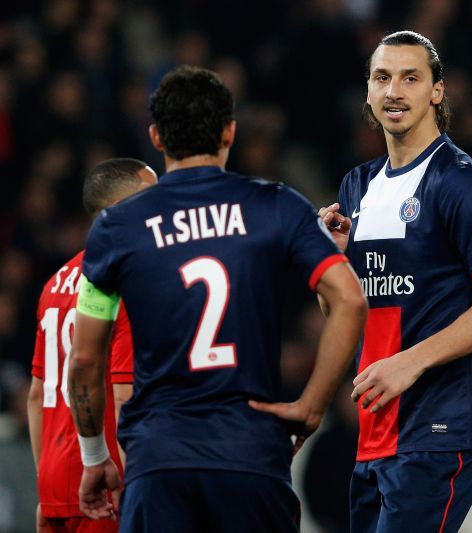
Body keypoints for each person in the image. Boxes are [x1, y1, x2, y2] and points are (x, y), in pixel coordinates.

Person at [67, 66, 367, 532]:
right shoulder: (277, 206)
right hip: (251, 457)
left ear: (156, 137)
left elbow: (85, 359)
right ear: (230, 132)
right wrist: (312, 404)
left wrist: (93, 455)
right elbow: (350, 300)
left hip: (159, 460)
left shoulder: (116, 227)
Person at [319, 31, 472, 532]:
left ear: (437, 92)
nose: (394, 92)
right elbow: (353, 312)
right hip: (377, 429)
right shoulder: (356, 186)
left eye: (410, 78)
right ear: (367, 91)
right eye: (382, 78)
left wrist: (410, 362)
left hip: (442, 424)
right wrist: (336, 268)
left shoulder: (459, 183)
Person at [28, 158, 156, 533]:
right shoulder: (124, 283)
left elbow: (37, 394)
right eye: (153, 197)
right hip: (108, 485)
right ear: (120, 209)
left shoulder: (55, 282)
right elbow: (123, 397)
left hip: (57, 484)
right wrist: (137, 492)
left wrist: (47, 489)